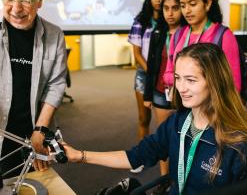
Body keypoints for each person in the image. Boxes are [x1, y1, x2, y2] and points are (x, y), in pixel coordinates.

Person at [62, 43, 247, 195]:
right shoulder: (178, 123)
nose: (181, 88)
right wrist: (80, 156)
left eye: (191, 80)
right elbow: (135, 156)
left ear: (215, 82)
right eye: (177, 78)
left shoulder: (237, 142)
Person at [0, 0, 67, 178]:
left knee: (33, 186)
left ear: (40, 0)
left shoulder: (54, 35)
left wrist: (40, 129)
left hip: (33, 136)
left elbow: (56, 84)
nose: (16, 8)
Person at [163, 0, 241, 93]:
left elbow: (234, 83)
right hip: (183, 101)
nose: (187, 11)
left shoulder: (223, 35)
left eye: (193, 4)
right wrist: (183, 81)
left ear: (207, 4)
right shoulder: (178, 35)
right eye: (183, 6)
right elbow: (168, 72)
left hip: (212, 106)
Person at [143, 0, 186, 190]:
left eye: (175, 8)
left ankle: (180, 180)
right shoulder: (158, 33)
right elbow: (151, 67)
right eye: (166, 8)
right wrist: (147, 94)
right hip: (161, 92)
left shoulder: (188, 34)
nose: (170, 13)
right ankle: (164, 181)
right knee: (163, 137)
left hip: (183, 94)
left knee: (183, 136)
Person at [128, 0, 169, 173]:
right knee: (144, 119)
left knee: (165, 123)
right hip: (145, 75)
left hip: (164, 77)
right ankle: (141, 157)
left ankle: (167, 164)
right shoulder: (140, 21)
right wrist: (152, 71)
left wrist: (160, 73)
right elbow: (136, 54)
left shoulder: (169, 20)